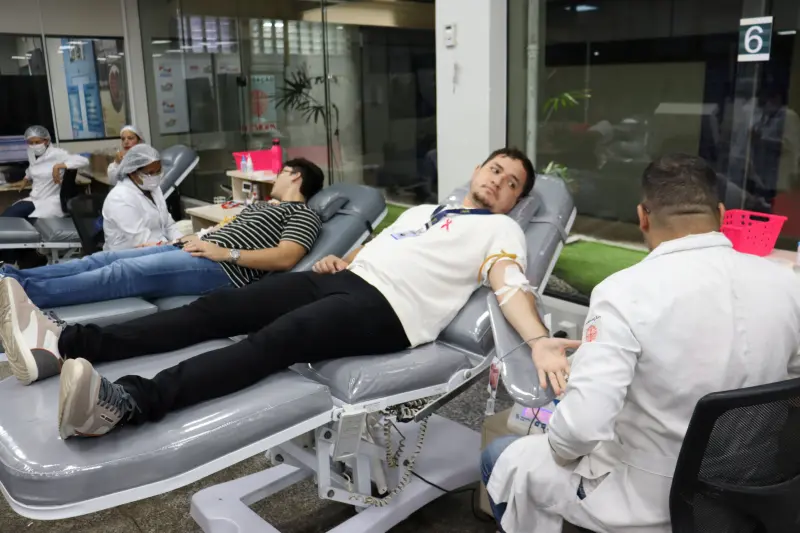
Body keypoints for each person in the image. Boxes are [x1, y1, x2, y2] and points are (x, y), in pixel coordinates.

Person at [1, 147, 577, 442]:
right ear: (477, 169)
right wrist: (344, 258)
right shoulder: (424, 210)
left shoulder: (501, 231)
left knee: (275, 340)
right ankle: (67, 344)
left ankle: (124, 405)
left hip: (390, 312)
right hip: (345, 280)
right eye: (495, 170)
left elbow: (510, 284)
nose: (498, 182)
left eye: (511, 184)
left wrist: (539, 340)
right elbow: (386, 250)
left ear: (516, 201)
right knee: (215, 309)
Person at [481, 154, 800, 533]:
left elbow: (580, 431)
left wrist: (557, 438)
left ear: (642, 217)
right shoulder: (788, 285)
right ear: (720, 214)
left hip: (650, 505)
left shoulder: (623, 293)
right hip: (749, 490)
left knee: (500, 456)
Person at [0, 157, 324, 312]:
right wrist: (202, 237)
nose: (276, 178)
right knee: (103, 259)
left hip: (222, 269)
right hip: (198, 250)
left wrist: (225, 253)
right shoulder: (265, 206)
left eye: (281, 173)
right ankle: (15, 278)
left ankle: (24, 298)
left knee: (122, 272)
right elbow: (235, 231)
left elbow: (286, 257)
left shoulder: (305, 214)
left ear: (296, 177)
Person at [101, 144, 182, 251]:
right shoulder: (120, 198)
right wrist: (175, 247)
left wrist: (184, 242)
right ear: (133, 173)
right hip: (130, 255)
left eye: (158, 171)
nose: (156, 176)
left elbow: (168, 225)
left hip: (158, 248)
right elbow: (142, 240)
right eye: (150, 173)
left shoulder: (154, 189)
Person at [3, 125, 88, 219]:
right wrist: (26, 178)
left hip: (51, 201)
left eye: (37, 142)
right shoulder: (31, 153)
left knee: (18, 218)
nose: (34, 145)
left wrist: (57, 166)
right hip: (36, 198)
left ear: (46, 141)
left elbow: (83, 160)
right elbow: (33, 167)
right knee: (8, 215)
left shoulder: (57, 154)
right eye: (30, 143)